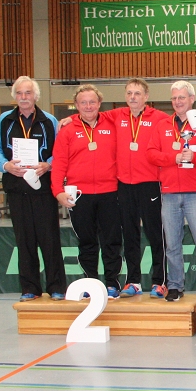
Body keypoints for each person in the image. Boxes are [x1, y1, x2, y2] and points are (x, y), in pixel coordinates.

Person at [0, 76, 67, 302]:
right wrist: (5, 165)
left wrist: (48, 164)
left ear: (36, 96)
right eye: (20, 93)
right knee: (24, 241)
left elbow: (60, 150)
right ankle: (30, 288)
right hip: (17, 189)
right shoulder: (4, 120)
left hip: (43, 190)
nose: (24, 97)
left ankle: (56, 287)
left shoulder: (49, 120)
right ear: (15, 96)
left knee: (50, 240)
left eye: (28, 93)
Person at [146, 81, 196, 303]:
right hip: (169, 193)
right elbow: (150, 154)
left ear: (191, 99)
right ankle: (175, 285)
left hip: (195, 193)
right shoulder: (162, 125)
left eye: (182, 97)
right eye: (174, 98)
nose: (178, 102)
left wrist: (195, 158)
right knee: (172, 244)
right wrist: (174, 158)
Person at [51, 84, 123, 299]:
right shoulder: (67, 130)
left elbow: (134, 109)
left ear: (100, 103)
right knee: (86, 242)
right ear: (76, 105)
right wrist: (58, 191)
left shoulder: (112, 123)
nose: (88, 106)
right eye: (83, 102)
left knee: (111, 241)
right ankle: (90, 283)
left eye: (92, 102)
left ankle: (112, 283)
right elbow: (59, 163)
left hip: (110, 193)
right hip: (80, 195)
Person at [109, 78, 171, 298]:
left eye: (137, 93)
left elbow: (181, 120)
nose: (133, 97)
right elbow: (89, 114)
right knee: (130, 234)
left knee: (155, 234)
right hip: (124, 185)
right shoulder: (117, 115)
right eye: (129, 93)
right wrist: (68, 119)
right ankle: (133, 281)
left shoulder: (160, 118)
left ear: (146, 96)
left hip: (150, 183)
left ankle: (160, 281)